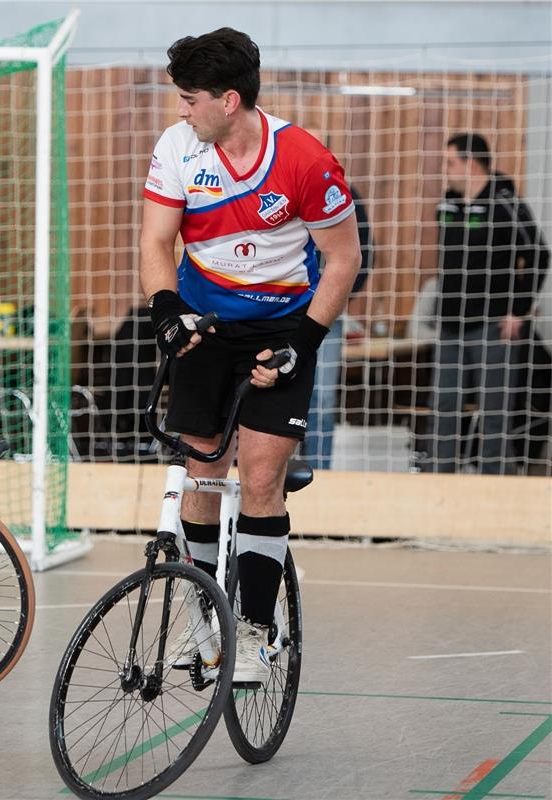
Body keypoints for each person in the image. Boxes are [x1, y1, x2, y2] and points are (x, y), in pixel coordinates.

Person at [140, 28, 361, 683]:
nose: (179, 110)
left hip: (281, 329)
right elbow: (156, 241)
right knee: (201, 475)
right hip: (206, 328)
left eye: (188, 98)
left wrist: (304, 342)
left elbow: (343, 257)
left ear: (227, 100)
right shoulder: (177, 148)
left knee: (259, 478)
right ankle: (203, 624)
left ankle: (257, 632)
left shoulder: (303, 159)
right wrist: (164, 309)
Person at [431, 133, 549, 475]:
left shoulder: (506, 201)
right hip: (450, 326)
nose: (445, 169)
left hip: (491, 325)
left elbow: (539, 254)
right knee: (444, 408)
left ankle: (494, 485)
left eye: (450, 162)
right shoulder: (448, 203)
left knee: (494, 412)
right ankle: (440, 483)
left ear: (471, 163)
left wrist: (519, 311)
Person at [300, 132, 375, 468]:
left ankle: (319, 477)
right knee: (274, 398)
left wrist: (338, 297)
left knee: (322, 401)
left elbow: (363, 255)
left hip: (327, 316)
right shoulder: (281, 189)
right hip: (280, 313)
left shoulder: (344, 195)